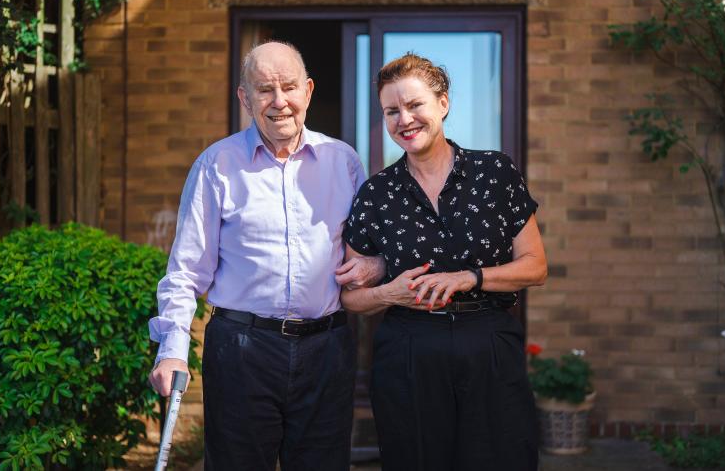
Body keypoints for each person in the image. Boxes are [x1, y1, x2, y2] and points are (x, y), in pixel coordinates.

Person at [147, 41, 383, 471]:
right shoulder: (215, 165)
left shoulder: (344, 161)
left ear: (308, 91)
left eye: (289, 87)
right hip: (241, 350)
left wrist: (377, 265)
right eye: (264, 90)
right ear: (244, 98)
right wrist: (172, 351)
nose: (279, 102)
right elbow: (185, 273)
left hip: (327, 349)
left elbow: (368, 251)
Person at [341, 53, 547, 471]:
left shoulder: (495, 172)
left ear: (443, 104)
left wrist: (469, 276)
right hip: (408, 350)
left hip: (488, 342)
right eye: (391, 111)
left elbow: (535, 267)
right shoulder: (375, 193)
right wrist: (389, 291)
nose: (405, 119)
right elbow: (351, 300)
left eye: (415, 105)